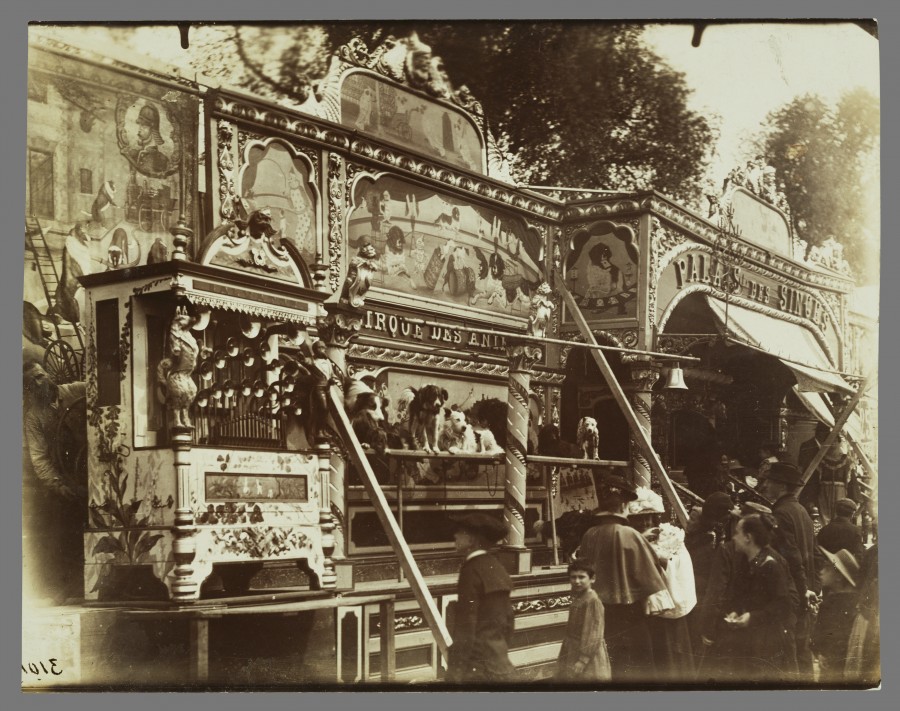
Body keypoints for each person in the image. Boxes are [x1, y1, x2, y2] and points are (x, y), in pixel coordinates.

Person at [576, 475, 674, 682]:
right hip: (629, 613)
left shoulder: (589, 534)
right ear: (622, 505)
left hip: (600, 612)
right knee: (638, 666)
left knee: (610, 665)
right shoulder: (629, 534)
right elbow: (651, 575)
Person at [23, 360, 87, 603]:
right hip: (67, 479)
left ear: (48, 374)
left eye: (40, 375)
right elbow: (39, 459)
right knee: (63, 529)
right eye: (33, 381)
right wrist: (60, 486)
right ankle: (70, 588)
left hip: (96, 469)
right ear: (27, 388)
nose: (40, 382)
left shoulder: (76, 391)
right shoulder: (33, 418)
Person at [720, 513, 798, 682]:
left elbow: (783, 606)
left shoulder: (771, 565)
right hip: (749, 640)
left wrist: (753, 617)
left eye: (737, 533)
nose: (734, 537)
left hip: (766, 643)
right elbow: (739, 594)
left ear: (748, 537)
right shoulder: (744, 560)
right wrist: (734, 611)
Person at [761, 462, 819, 681]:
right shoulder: (802, 511)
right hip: (804, 589)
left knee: (788, 652)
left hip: (792, 591)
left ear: (782, 486)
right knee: (802, 650)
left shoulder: (781, 513)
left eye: (769, 481)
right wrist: (812, 588)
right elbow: (815, 553)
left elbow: (792, 556)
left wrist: (803, 590)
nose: (765, 485)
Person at [446, 513, 517, 685]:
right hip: (499, 663)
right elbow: (509, 621)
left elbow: (466, 626)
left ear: (472, 540)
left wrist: (455, 671)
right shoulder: (496, 567)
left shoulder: (471, 570)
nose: (455, 535)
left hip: (477, 670)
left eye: (460, 532)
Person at [554, 561, 611, 683]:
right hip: (572, 649)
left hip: (587, 655)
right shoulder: (579, 597)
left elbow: (594, 633)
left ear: (592, 579)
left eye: (581, 577)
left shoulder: (592, 601)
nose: (577, 581)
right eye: (573, 577)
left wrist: (583, 660)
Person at [811, 547, 860, 684]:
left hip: (831, 668)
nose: (821, 571)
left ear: (839, 577)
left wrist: (820, 653)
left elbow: (818, 635)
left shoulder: (830, 604)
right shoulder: (855, 603)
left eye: (827, 568)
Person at [127, 102, 169, 175]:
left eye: (144, 126)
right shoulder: (134, 154)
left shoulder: (161, 160)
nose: (139, 129)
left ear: (153, 129)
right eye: (140, 125)